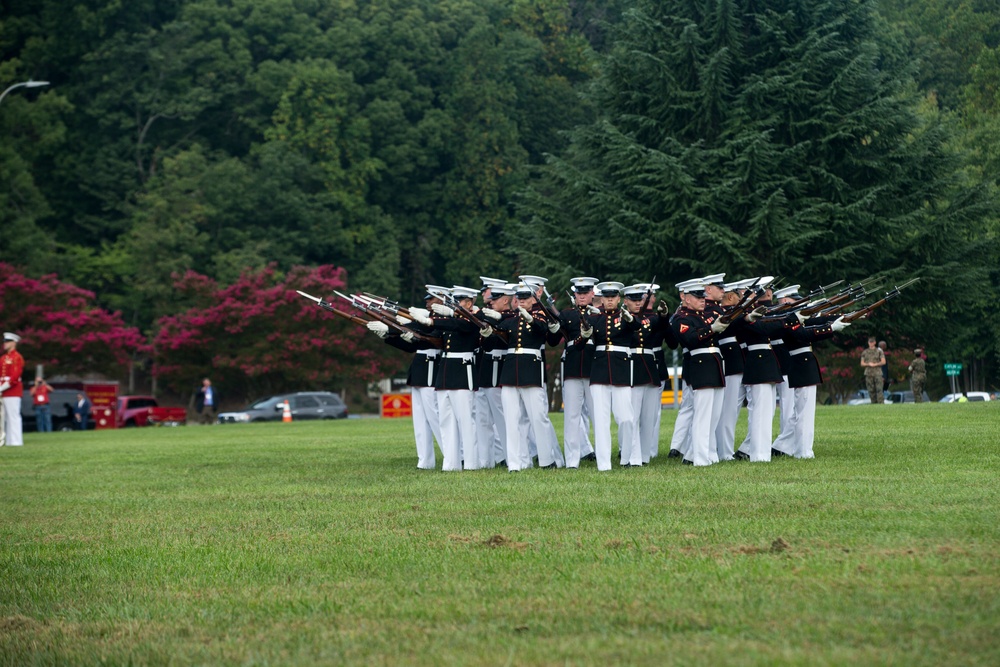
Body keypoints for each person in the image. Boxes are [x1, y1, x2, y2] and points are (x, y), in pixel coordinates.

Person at [488, 282, 563, 471]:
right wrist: (488, 331)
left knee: (538, 417)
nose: (522, 301)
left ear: (533, 299)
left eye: (526, 298)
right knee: (512, 419)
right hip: (511, 371)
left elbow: (545, 332)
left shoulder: (541, 317)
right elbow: (495, 341)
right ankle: (516, 462)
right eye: (519, 298)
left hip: (531, 370)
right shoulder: (511, 320)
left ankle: (547, 459)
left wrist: (531, 319)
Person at [580, 281, 638, 471]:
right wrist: (585, 334)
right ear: (602, 299)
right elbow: (585, 340)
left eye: (613, 297)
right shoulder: (595, 318)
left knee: (626, 418)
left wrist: (630, 320)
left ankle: (627, 457)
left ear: (619, 299)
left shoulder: (626, 317)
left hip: (620, 370)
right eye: (606, 297)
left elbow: (636, 329)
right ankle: (603, 464)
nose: (610, 300)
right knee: (601, 420)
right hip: (599, 371)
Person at [670, 279, 728, 467]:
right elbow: (691, 339)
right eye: (697, 297)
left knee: (714, 415)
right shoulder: (682, 318)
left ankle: (707, 453)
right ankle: (700, 458)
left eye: (703, 296)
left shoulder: (704, 315)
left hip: (714, 363)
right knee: (702, 415)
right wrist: (712, 329)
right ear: (686, 299)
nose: (702, 300)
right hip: (700, 364)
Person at [1, 332, 26, 446]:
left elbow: (15, 377)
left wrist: (2, 387)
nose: (4, 344)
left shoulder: (17, 357)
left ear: (13, 343)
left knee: (13, 416)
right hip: (2, 390)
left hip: (12, 390)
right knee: (4, 417)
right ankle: (8, 440)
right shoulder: (3, 358)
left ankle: (16, 441)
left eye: (7, 342)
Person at [860, 337, 886, 403]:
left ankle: (880, 403)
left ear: (874, 342)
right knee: (871, 390)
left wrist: (875, 364)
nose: (871, 344)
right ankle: (873, 403)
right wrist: (868, 364)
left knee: (879, 389)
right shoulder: (865, 352)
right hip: (868, 373)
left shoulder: (879, 351)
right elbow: (862, 363)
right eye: (869, 342)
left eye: (872, 342)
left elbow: (883, 361)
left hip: (877, 373)